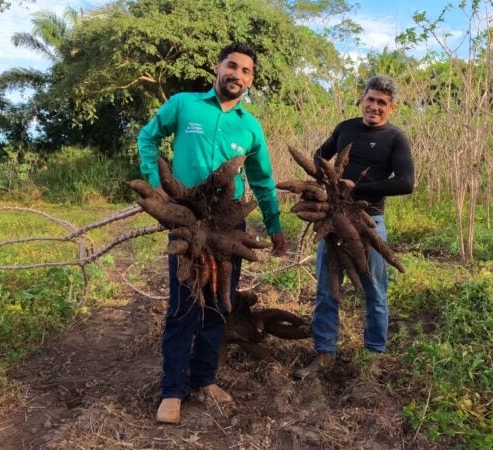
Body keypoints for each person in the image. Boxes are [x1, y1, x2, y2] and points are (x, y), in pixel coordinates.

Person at [137, 43, 288, 424]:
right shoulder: (185, 104)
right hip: (186, 221)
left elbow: (263, 180)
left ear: (251, 80)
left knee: (220, 302)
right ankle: (172, 390)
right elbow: (148, 138)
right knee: (183, 304)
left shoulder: (250, 127)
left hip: (227, 225)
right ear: (217, 68)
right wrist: (157, 184)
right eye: (232, 66)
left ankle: (204, 380)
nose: (238, 75)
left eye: (246, 71)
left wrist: (274, 226)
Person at [293, 75, 414, 380]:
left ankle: (373, 355)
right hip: (333, 222)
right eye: (370, 99)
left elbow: (406, 182)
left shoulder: (395, 138)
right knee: (326, 289)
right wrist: (327, 180)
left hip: (369, 222)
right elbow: (320, 156)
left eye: (382, 102)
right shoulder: (345, 128)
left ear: (392, 108)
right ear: (362, 99)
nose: (375, 106)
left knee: (374, 290)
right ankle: (325, 352)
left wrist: (357, 189)